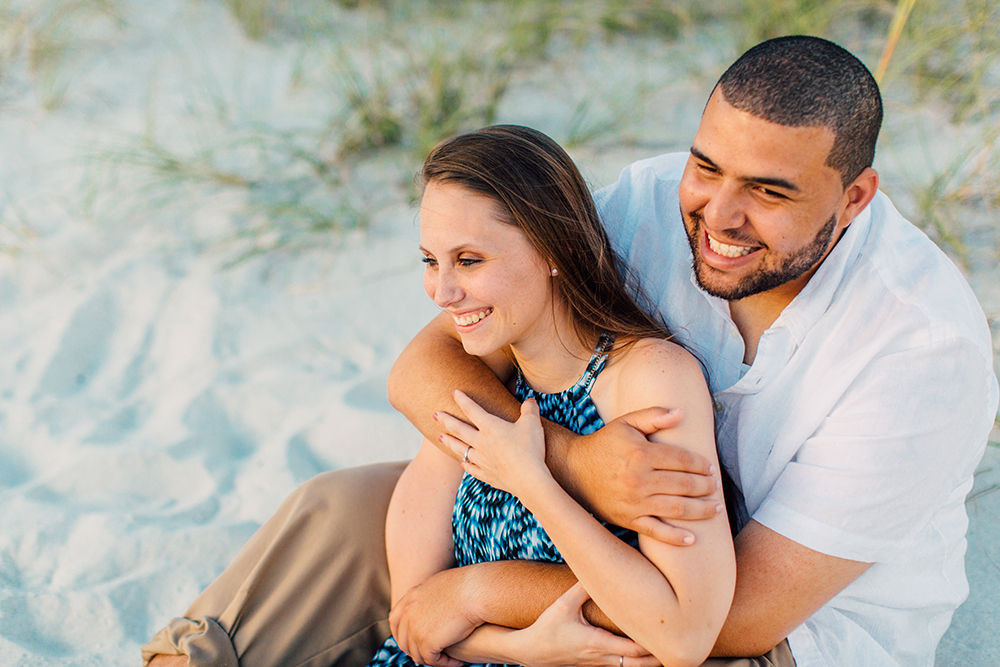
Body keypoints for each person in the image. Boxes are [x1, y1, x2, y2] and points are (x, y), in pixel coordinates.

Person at [144, 35, 999, 667]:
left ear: (855, 198)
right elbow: (423, 371)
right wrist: (576, 463)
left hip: (774, 637)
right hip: (580, 528)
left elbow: (727, 620)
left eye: (769, 192)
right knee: (341, 508)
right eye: (710, 167)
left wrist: (475, 595)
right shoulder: (655, 201)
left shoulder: (920, 352)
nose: (718, 216)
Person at [369, 124, 734, 667]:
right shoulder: (484, 372)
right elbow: (415, 615)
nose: (442, 292)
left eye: (468, 261)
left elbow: (683, 633)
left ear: (553, 249)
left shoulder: (647, 379)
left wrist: (531, 479)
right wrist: (519, 646)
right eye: (430, 260)